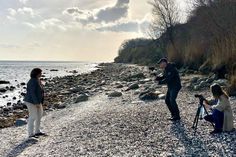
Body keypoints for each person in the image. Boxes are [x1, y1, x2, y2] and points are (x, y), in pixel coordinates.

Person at [24, 68, 46, 138]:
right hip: (31, 101)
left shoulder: (37, 80)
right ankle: (31, 134)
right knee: (33, 116)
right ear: (37, 73)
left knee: (39, 115)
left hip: (37, 101)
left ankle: (37, 131)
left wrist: (39, 102)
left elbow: (40, 91)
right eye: (40, 72)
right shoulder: (33, 81)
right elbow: (32, 93)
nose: (41, 74)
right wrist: (36, 103)